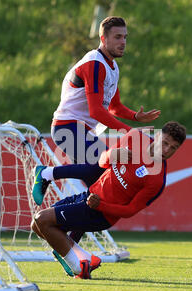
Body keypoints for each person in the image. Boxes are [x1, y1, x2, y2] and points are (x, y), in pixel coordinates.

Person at [33, 16, 160, 254]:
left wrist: (134, 117)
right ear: (103, 39)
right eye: (117, 37)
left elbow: (114, 107)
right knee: (102, 171)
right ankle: (46, 173)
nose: (123, 42)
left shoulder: (112, 67)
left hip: (80, 129)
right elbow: (96, 111)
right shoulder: (95, 64)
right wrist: (128, 130)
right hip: (66, 127)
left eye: (125, 37)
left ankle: (69, 248)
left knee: (98, 193)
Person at [31, 121, 186, 279]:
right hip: (88, 196)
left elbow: (130, 210)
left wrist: (100, 205)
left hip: (100, 214)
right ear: (158, 135)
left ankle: (79, 265)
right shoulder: (134, 137)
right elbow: (102, 162)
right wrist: (113, 155)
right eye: (165, 143)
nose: (166, 150)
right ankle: (85, 259)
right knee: (36, 225)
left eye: (173, 148)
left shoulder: (157, 180)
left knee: (42, 219)